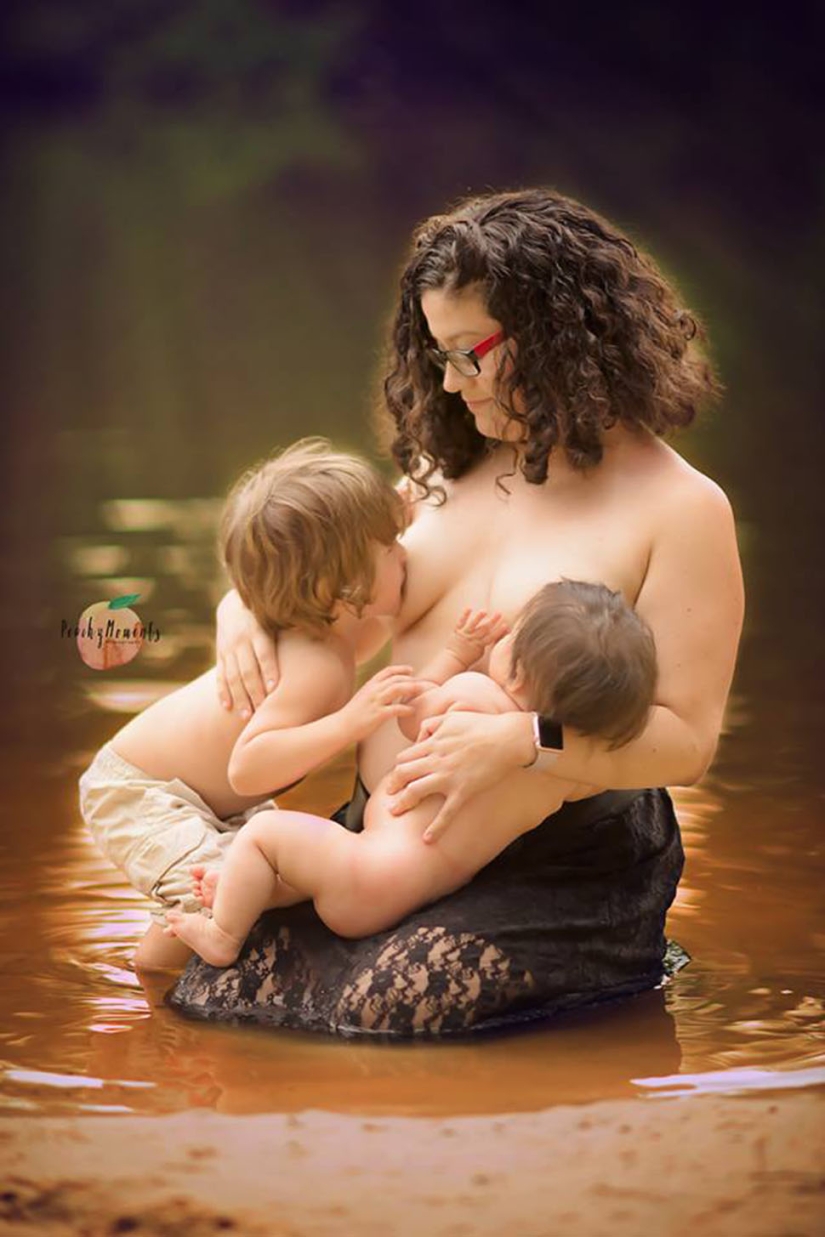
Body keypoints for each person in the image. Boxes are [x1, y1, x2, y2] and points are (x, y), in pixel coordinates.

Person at [168, 187, 744, 1039]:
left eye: (467, 353)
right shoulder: (444, 473)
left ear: (557, 336)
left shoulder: (680, 508)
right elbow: (323, 572)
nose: (446, 381)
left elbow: (687, 744)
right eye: (435, 354)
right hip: (387, 838)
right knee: (213, 985)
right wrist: (244, 611)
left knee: (391, 1007)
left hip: (555, 860)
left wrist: (527, 740)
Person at [165, 580, 657, 964]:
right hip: (419, 892)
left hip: (366, 868)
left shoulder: (476, 697)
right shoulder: (561, 772)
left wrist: (456, 656)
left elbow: (411, 713)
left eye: (512, 636)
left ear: (519, 671)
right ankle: (258, 893)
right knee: (301, 866)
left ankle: (223, 935)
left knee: (264, 832)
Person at [78, 440, 413, 971]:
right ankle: (160, 978)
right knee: (223, 899)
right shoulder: (315, 663)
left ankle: (150, 983)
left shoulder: (337, 628)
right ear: (342, 581)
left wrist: (398, 510)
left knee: (243, 880)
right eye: (389, 545)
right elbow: (250, 764)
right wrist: (350, 723)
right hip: (142, 793)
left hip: (206, 797)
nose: (406, 552)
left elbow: (385, 612)